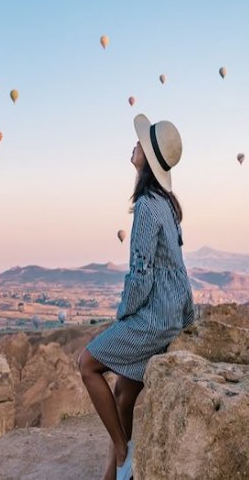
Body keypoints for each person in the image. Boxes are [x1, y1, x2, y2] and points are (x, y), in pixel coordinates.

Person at [78, 114, 195, 480]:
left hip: (154, 319)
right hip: (173, 315)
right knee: (123, 393)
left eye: (140, 143)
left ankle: (122, 449)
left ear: (148, 156)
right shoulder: (168, 204)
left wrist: (123, 313)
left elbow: (141, 273)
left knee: (87, 364)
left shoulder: (146, 205)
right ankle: (116, 475)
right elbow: (177, 268)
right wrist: (187, 319)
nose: (134, 145)